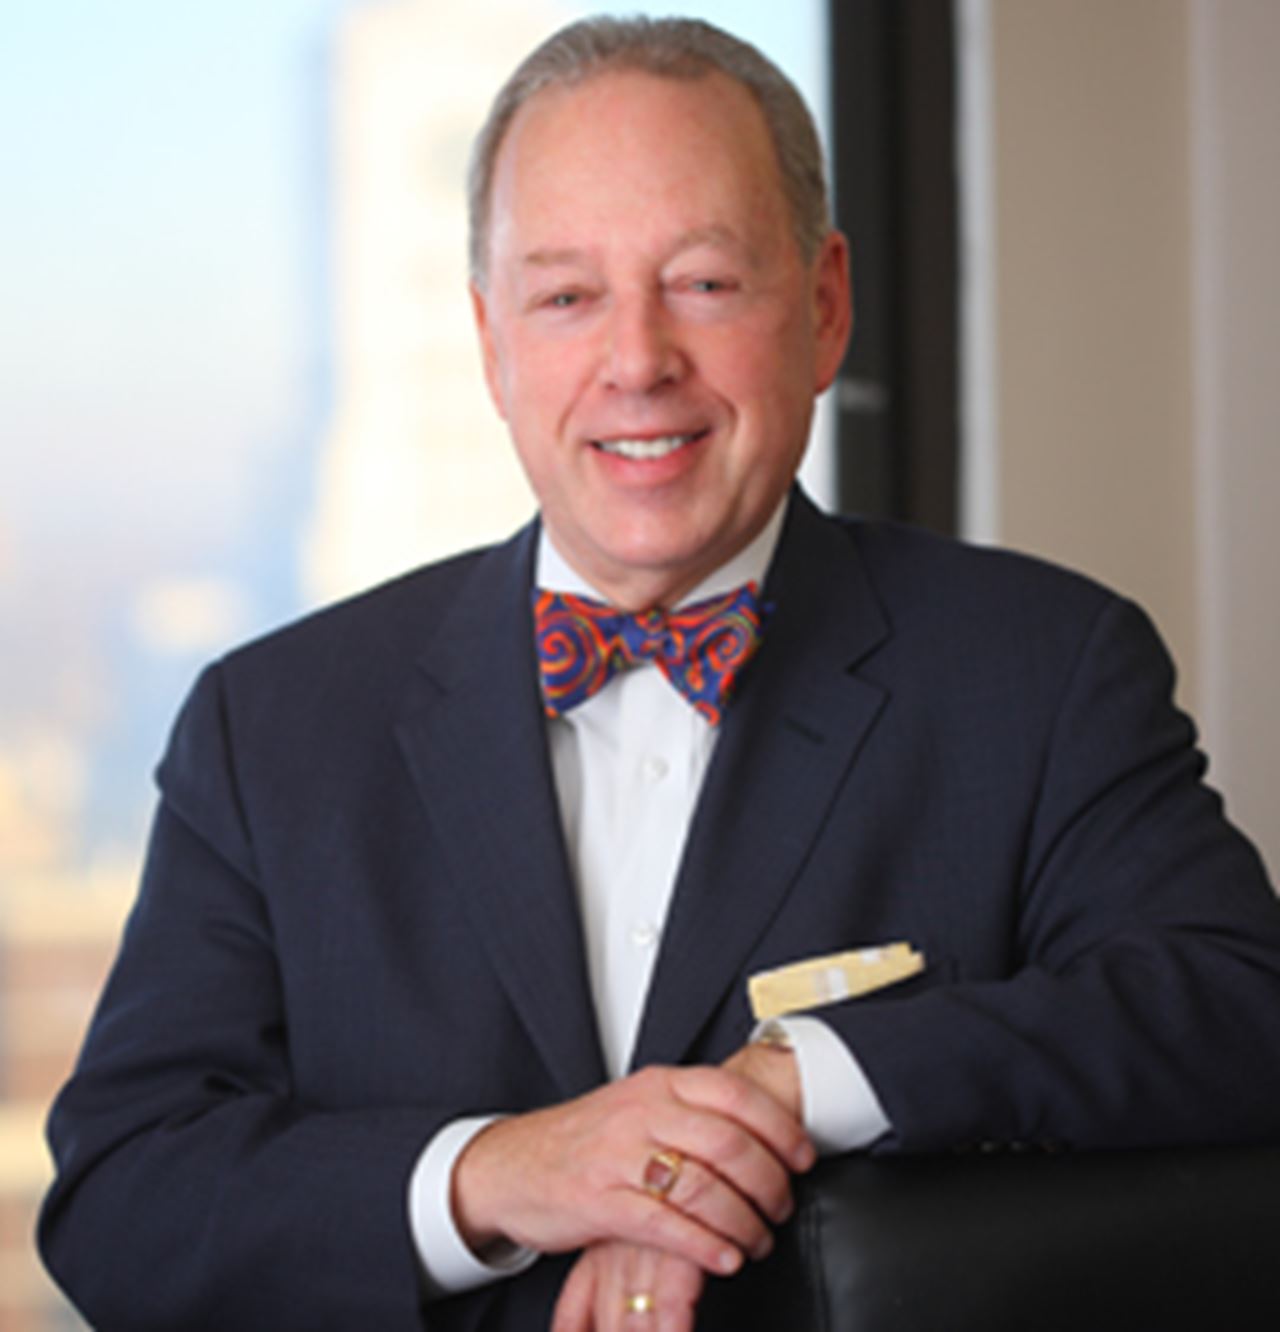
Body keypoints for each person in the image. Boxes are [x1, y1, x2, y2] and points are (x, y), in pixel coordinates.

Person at [39, 15, 1280, 1332]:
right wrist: (499, 1176)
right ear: (492, 342)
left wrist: (788, 1088)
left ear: (824, 307)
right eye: (567, 297)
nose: (638, 363)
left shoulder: (1040, 668)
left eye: (704, 281)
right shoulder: (271, 725)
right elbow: (124, 1200)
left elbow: (1241, 1011)